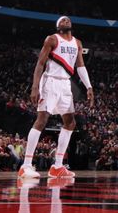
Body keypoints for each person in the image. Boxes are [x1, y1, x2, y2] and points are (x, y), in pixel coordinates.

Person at [18, 16, 94, 179]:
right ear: (58, 26)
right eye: (62, 20)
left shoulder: (77, 43)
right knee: (42, 120)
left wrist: (89, 86)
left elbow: (80, 66)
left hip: (66, 84)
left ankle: (57, 166)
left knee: (70, 122)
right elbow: (40, 63)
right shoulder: (52, 39)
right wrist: (35, 86)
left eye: (67, 20)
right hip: (50, 81)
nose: (65, 20)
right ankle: (25, 165)